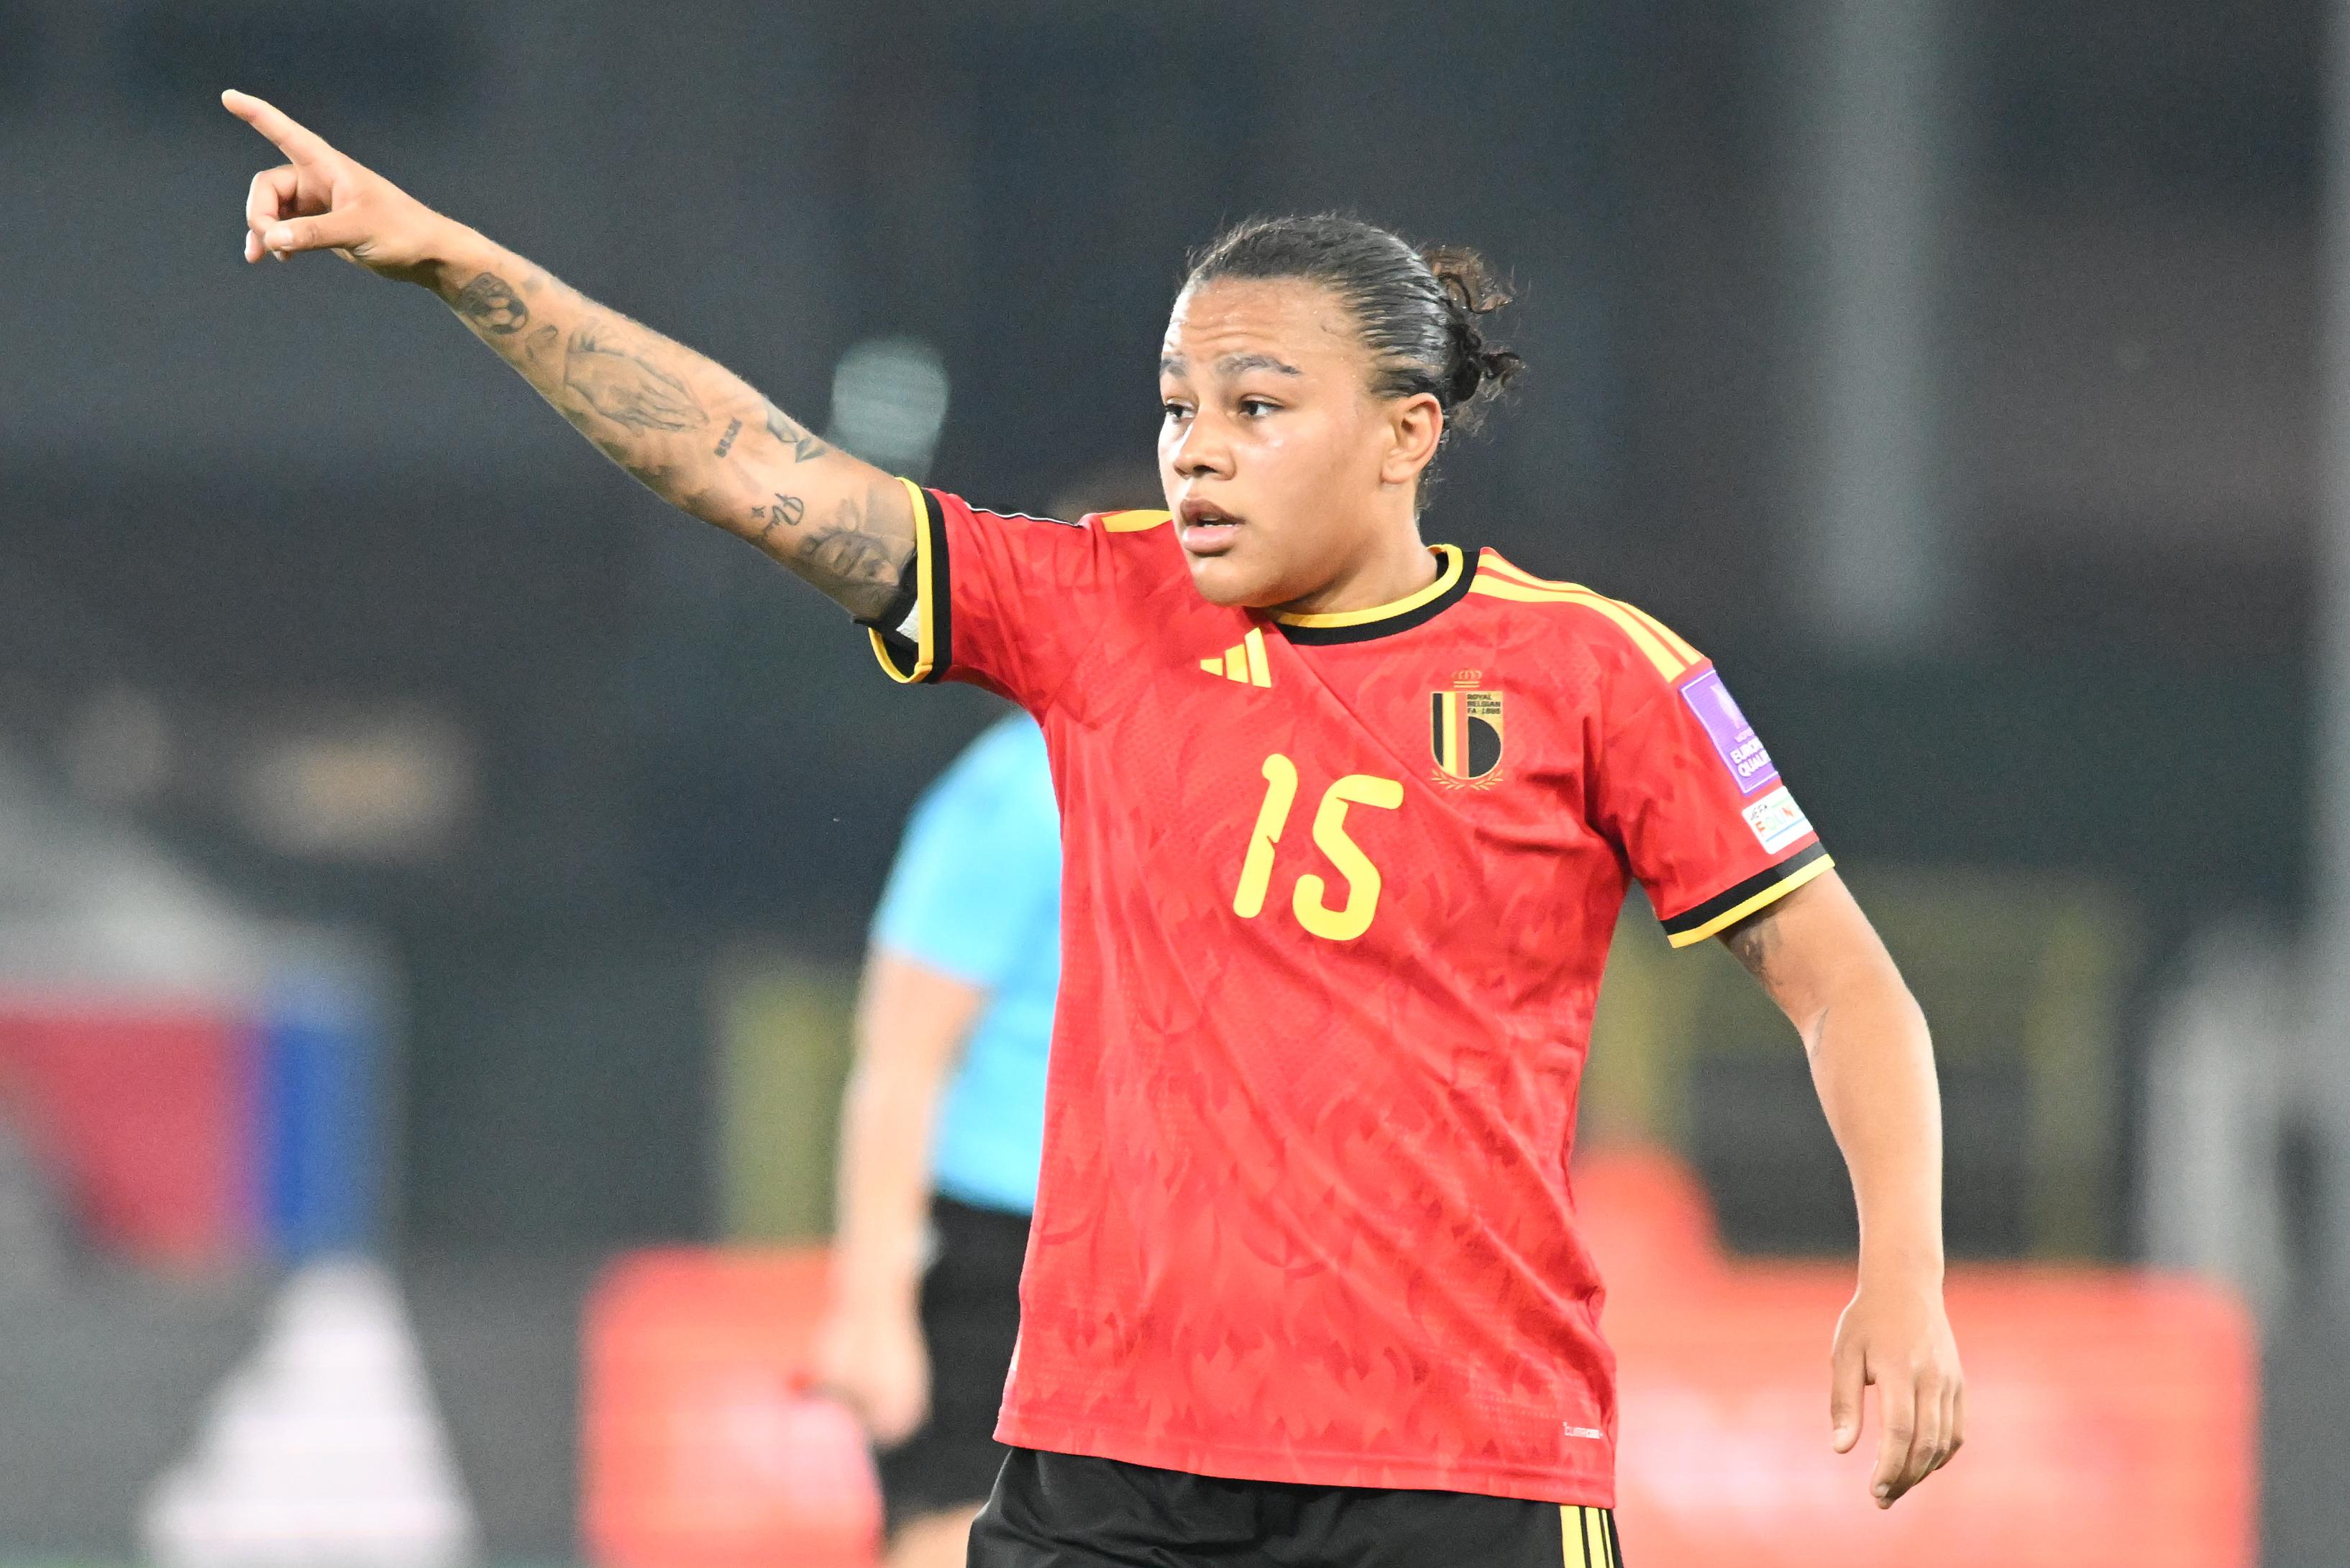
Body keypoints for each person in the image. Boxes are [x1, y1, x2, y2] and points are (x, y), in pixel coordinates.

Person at [224, 90, 1965, 1567]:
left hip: (1456, 1467)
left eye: (1255, 408)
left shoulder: (1593, 672)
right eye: (1174, 403)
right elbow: (753, 467)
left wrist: (1899, 1272)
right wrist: (454, 263)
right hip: (1111, 1464)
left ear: (1402, 436)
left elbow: (1841, 985)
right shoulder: (1094, 610)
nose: (1194, 451)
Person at [815, 708, 1061, 1568]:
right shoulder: (1020, 790)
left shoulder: (1194, 768)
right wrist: (872, 1308)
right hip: (993, 1248)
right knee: (956, 1531)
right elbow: (899, 1059)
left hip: (1139, 1246)